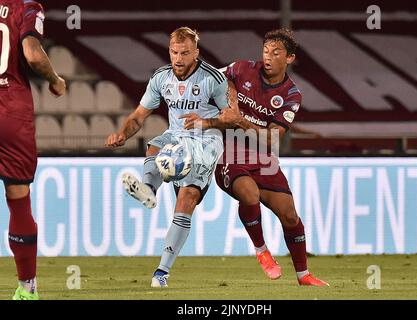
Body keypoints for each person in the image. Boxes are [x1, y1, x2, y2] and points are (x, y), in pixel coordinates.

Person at [183, 28, 329, 286]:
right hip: (229, 151)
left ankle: (303, 275)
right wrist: (230, 98)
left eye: (276, 52)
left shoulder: (291, 95)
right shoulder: (242, 69)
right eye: (265, 51)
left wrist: (239, 120)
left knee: (290, 216)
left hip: (263, 157)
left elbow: (272, 138)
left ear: (290, 58)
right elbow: (218, 77)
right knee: (248, 193)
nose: (269, 57)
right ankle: (262, 251)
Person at [105, 27, 229, 288]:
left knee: (187, 198)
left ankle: (162, 271)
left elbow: (232, 118)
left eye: (185, 53)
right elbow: (139, 116)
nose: (178, 58)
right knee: (154, 146)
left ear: (196, 52)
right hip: (175, 135)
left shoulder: (213, 78)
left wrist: (207, 122)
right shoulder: (161, 78)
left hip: (205, 141)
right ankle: (149, 189)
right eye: (174, 52)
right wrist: (122, 134)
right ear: (169, 51)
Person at [0, 0, 66, 300]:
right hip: (11, 113)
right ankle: (27, 289)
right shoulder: (26, 8)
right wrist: (55, 80)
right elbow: (33, 54)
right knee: (18, 199)